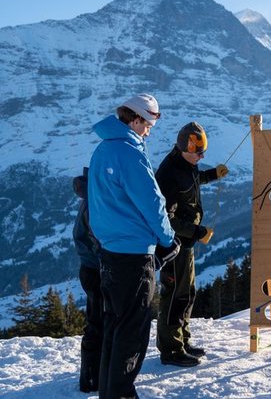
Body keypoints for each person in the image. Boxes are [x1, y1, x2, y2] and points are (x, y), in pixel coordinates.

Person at [88, 94, 178, 399]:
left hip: (109, 253)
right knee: (133, 332)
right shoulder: (129, 153)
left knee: (114, 326)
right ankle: (122, 394)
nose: (149, 130)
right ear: (135, 119)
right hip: (134, 255)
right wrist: (168, 240)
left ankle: (110, 393)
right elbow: (153, 202)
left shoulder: (102, 150)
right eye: (148, 124)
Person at [155, 121, 229, 367]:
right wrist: (197, 231)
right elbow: (166, 217)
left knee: (187, 294)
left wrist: (212, 174)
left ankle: (182, 342)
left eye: (203, 152)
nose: (202, 156)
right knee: (175, 296)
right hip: (173, 245)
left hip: (186, 244)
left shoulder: (186, 164)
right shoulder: (169, 173)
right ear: (183, 147)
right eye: (198, 152)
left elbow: (193, 179)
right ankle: (171, 350)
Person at [72, 167, 104, 393]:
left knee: (98, 319)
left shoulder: (92, 198)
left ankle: (95, 373)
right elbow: (100, 240)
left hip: (90, 268)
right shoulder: (95, 203)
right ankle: (91, 378)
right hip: (96, 269)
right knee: (98, 321)